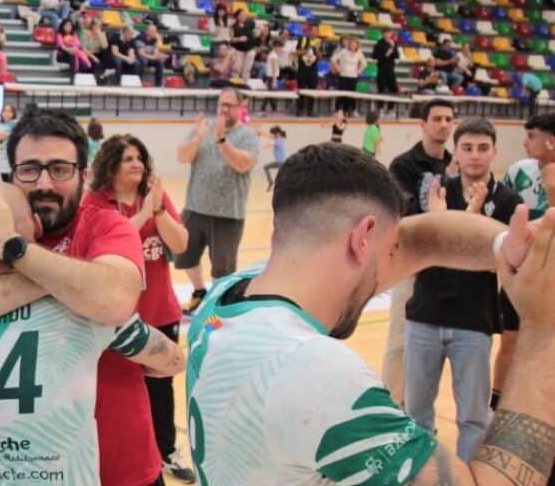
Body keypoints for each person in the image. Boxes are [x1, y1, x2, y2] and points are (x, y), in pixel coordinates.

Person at [186, 140, 555, 486]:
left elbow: (419, 241)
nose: (395, 257)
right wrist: (542, 328)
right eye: (389, 248)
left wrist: (507, 246)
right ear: (363, 238)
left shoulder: (227, 296)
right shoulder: (311, 372)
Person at [0, 109, 166, 486]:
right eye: (30, 169)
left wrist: (11, 248)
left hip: (121, 464)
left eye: (60, 169)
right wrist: (67, 279)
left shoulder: (104, 225)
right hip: (26, 470)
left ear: (83, 175)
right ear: (13, 174)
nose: (44, 183)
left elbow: (115, 299)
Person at [406, 118, 522, 462]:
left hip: (474, 322)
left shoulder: (507, 200)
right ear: (455, 152)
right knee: (416, 414)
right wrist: (450, 229)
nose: (474, 156)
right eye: (467, 148)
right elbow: (418, 247)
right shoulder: (436, 191)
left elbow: (499, 262)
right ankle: (420, 476)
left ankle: (469, 477)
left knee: (473, 417)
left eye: (483, 148)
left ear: (495, 152)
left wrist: (459, 226)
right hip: (424, 316)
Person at [81, 135, 194, 482]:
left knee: (161, 388)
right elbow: (106, 244)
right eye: (127, 158)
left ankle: (166, 451)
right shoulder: (95, 202)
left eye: (140, 158)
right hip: (116, 319)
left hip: (160, 310)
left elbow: (180, 244)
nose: (137, 164)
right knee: (119, 393)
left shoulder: (155, 198)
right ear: (110, 164)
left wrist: (157, 210)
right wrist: (143, 214)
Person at [381, 99, 455, 407]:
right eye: (437, 118)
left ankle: (417, 409)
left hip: (444, 268)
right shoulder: (404, 165)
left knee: (433, 343)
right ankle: (390, 409)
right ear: (423, 124)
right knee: (400, 339)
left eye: (448, 119)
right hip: (410, 264)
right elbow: (401, 218)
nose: (444, 124)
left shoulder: (455, 164)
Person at [176, 89, 259, 313]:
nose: (224, 109)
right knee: (183, 255)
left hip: (228, 214)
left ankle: (216, 308)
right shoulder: (202, 129)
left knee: (222, 270)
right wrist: (198, 138)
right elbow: (182, 157)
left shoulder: (248, 136)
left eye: (230, 105)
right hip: (195, 207)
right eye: (222, 104)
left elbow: (243, 164)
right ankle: (199, 293)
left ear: (240, 107)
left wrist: (221, 140)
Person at [494, 113, 555, 412]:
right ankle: (496, 404)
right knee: (510, 339)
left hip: (550, 273)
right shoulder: (519, 171)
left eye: (532, 136)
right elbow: (500, 208)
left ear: (551, 141)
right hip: (520, 272)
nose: (524, 142)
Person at [333, 36, 367, 116]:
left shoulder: (359, 53)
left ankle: (348, 111)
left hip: (353, 76)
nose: (353, 45)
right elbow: (333, 59)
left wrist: (359, 70)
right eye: (351, 43)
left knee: (351, 94)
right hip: (343, 75)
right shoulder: (344, 51)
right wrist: (337, 67)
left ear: (357, 45)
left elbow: (364, 63)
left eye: (355, 43)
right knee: (341, 94)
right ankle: (337, 110)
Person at [372, 27, 399, 115]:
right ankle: (380, 108)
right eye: (385, 33)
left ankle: (391, 108)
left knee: (394, 89)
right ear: (383, 34)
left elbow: (397, 56)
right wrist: (385, 55)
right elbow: (374, 56)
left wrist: (393, 47)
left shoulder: (393, 43)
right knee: (381, 89)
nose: (387, 34)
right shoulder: (379, 44)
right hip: (382, 69)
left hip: (390, 69)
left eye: (389, 33)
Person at [230, 9, 257, 79]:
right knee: (237, 69)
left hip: (250, 50)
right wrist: (239, 39)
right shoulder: (233, 26)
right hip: (238, 50)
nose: (243, 16)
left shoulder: (250, 23)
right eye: (241, 15)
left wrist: (256, 34)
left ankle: (245, 82)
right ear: (237, 16)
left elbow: (259, 28)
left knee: (247, 70)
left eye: (244, 15)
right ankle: (235, 82)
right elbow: (231, 39)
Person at [0, 103, 18, 182]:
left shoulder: (15, 123)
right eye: (4, 111)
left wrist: (1, 135)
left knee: (13, 181)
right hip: (3, 156)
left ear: (13, 113)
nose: (6, 113)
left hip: (12, 156)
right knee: (4, 179)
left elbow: (2, 135)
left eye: (9, 111)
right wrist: (0, 136)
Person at [295, 45, 319, 117]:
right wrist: (305, 50)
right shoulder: (302, 41)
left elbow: (320, 55)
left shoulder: (317, 42)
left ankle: (310, 110)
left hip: (313, 72)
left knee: (312, 92)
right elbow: (296, 52)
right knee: (301, 91)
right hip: (302, 71)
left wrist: (316, 49)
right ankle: (300, 109)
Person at [262, 125, 286, 191]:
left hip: (280, 161)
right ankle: (274, 184)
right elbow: (269, 136)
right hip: (283, 161)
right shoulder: (280, 138)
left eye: (272, 134)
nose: (271, 135)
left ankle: (271, 182)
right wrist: (261, 132)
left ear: (277, 134)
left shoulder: (277, 141)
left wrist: (260, 147)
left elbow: (269, 145)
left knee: (265, 167)